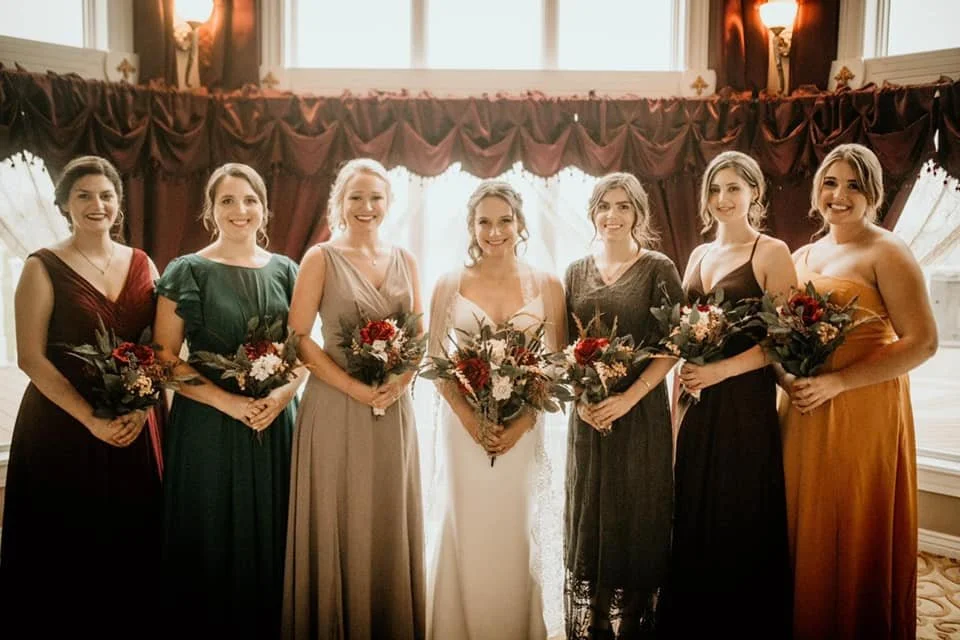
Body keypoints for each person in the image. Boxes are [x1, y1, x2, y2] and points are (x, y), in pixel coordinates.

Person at [0, 155, 163, 637]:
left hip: (133, 422)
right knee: (66, 545)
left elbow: (159, 344)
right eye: (84, 196)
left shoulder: (142, 262)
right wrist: (90, 419)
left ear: (119, 203)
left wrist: (143, 406)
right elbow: (31, 357)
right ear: (65, 205)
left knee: (133, 545)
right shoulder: (41, 266)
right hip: (62, 427)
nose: (98, 205)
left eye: (107, 195)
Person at [780, 143, 938, 640]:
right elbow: (780, 337)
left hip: (861, 409)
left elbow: (924, 342)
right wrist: (789, 379)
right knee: (799, 522)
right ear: (816, 190)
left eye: (853, 184)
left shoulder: (887, 250)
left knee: (849, 521)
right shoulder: (802, 254)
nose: (839, 195)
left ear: (873, 193)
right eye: (830, 182)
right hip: (803, 407)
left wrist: (838, 382)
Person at [153, 163, 302, 636]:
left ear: (264, 208)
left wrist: (280, 397)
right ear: (210, 210)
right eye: (228, 201)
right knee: (212, 534)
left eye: (250, 200)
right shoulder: (188, 270)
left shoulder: (287, 270)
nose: (241, 210)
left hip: (275, 422)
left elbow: (304, 352)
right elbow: (164, 356)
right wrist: (230, 404)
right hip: (208, 427)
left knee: (275, 536)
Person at [281, 158, 426, 639]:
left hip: (392, 408)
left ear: (388, 203)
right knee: (339, 516)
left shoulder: (406, 259)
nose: (367, 206)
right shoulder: (320, 258)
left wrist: (400, 382)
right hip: (336, 406)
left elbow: (419, 336)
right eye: (356, 197)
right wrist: (355, 389)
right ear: (339, 203)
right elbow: (298, 337)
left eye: (376, 197)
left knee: (386, 520)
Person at [659, 151, 796, 638]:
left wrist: (722, 372)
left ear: (754, 192)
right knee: (693, 502)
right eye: (715, 190)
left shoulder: (771, 252)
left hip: (744, 402)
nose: (723, 199)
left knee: (737, 508)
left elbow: (784, 338)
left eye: (734, 188)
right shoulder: (698, 255)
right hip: (697, 399)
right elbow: (682, 328)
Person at [425, 180, 566, 640]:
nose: (494, 230)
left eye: (504, 220)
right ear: (471, 226)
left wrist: (524, 421)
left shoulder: (547, 284)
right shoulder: (450, 283)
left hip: (522, 430)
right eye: (484, 221)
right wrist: (469, 419)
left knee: (513, 533)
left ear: (520, 223)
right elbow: (433, 360)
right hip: (464, 427)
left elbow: (558, 361)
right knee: (467, 528)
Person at [563, 172, 682, 638]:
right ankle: (593, 621)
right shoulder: (574, 270)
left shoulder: (658, 267)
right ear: (593, 211)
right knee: (590, 511)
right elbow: (563, 346)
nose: (612, 216)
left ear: (639, 213)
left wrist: (628, 399)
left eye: (623, 206)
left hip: (640, 414)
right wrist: (582, 401)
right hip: (589, 417)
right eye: (604, 206)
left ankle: (633, 621)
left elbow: (672, 344)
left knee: (638, 510)